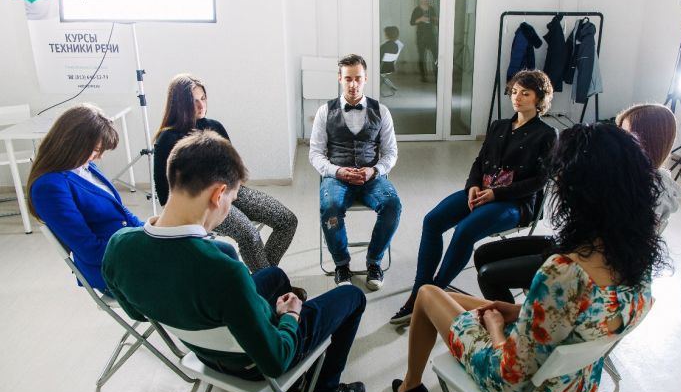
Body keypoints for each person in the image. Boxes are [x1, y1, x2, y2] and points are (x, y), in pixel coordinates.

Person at [391, 123, 666, 392]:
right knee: (449, 296)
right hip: (566, 379)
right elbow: (581, 320)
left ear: (581, 193)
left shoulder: (564, 273)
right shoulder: (639, 261)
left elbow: (513, 368)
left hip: (517, 388)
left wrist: (496, 328)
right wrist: (518, 311)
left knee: (427, 294)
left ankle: (411, 386)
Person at [102, 131, 367, 392]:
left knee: (274, 276)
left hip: (203, 353)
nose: (229, 208)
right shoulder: (224, 271)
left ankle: (292, 365)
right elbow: (276, 361)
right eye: (232, 198)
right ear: (218, 195)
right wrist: (290, 317)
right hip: (248, 364)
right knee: (352, 296)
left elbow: (138, 314)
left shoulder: (118, 246)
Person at [390, 70, 557, 324]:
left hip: (514, 203)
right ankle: (419, 289)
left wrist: (496, 194)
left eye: (525, 93)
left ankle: (432, 294)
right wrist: (472, 186)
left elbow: (539, 182)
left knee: (464, 231)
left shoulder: (547, 134)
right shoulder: (499, 125)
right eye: (514, 92)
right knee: (432, 221)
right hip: (481, 192)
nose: (517, 98)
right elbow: (480, 161)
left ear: (539, 98)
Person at [475, 103, 681, 303]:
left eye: (625, 133)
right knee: (484, 254)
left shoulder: (649, 190)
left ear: (647, 141)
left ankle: (516, 317)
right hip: (580, 243)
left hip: (593, 260)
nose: (618, 139)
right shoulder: (627, 174)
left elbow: (607, 240)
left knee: (488, 274)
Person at [153, 73, 298, 273]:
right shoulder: (167, 140)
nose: (201, 105)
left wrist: (233, 190)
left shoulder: (214, 126)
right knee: (249, 235)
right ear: (179, 104)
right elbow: (164, 194)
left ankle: (264, 279)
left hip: (232, 191)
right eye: (194, 101)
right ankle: (269, 284)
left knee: (287, 220)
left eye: (203, 98)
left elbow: (233, 168)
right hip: (203, 204)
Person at [27, 104, 142, 294]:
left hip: (129, 252)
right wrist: (142, 250)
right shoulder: (49, 187)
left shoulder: (84, 168)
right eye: (96, 150)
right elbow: (89, 250)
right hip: (112, 269)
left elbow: (121, 213)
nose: (98, 157)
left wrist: (154, 230)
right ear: (73, 144)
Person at [309, 54, 401, 289]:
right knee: (330, 207)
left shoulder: (382, 111)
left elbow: (391, 152)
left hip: (371, 177)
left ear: (365, 78)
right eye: (348, 78)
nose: (353, 84)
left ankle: (374, 262)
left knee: (393, 206)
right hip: (337, 177)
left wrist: (374, 171)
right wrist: (337, 171)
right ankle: (341, 265)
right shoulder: (324, 111)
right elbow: (315, 154)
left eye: (358, 78)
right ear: (340, 79)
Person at [410, 0, 439, 83]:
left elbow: (436, 22)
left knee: (436, 56)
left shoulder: (431, 9)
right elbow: (412, 22)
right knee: (422, 57)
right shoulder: (416, 9)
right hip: (421, 37)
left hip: (431, 36)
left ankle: (438, 76)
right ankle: (423, 77)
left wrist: (435, 20)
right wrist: (420, 19)